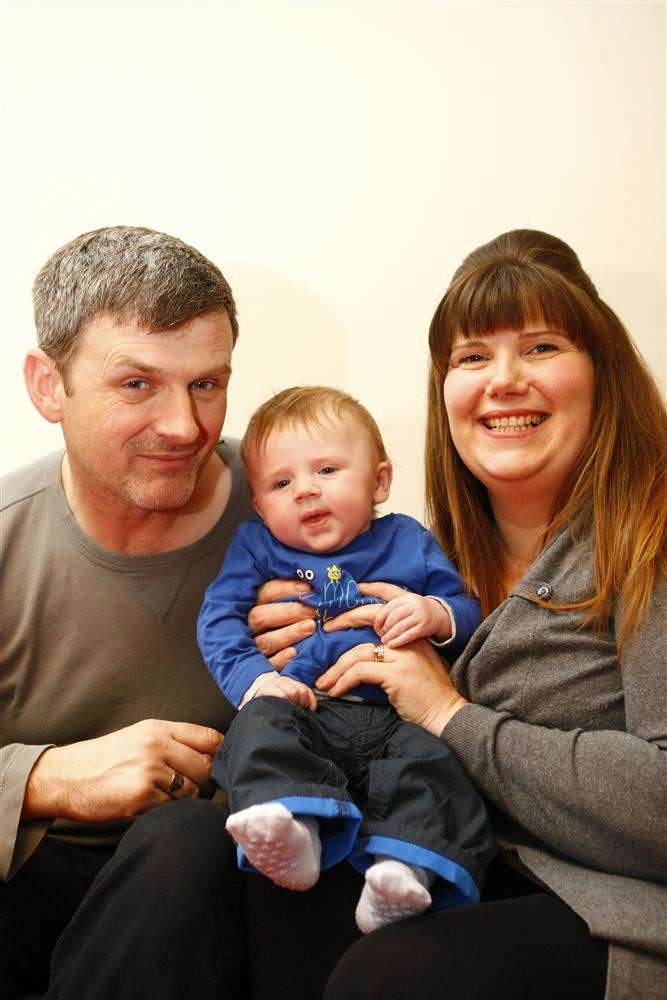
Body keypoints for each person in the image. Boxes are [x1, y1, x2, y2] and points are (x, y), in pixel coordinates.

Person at [299, 230, 665, 1000]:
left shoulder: (651, 540)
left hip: (615, 915)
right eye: (471, 357)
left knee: (390, 978)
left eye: (539, 347)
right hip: (458, 867)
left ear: (602, 373)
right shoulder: (417, 562)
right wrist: (299, 656)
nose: (502, 381)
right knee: (224, 862)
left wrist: (449, 714)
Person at [0, 225, 263, 998]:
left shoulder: (300, 512)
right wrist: (45, 777)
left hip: (219, 889)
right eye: (137, 384)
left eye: (207, 384)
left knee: (184, 843)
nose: (185, 428)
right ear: (49, 386)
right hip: (29, 880)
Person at [197, 386, 494, 932]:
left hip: (395, 715)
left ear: (379, 480)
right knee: (258, 728)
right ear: (260, 506)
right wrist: (256, 681)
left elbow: (469, 611)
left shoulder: (408, 539)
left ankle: (404, 871)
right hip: (307, 707)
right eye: (281, 484)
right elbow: (217, 619)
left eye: (327, 470)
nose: (305, 491)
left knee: (434, 763)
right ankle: (289, 826)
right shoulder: (257, 547)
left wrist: (433, 613)